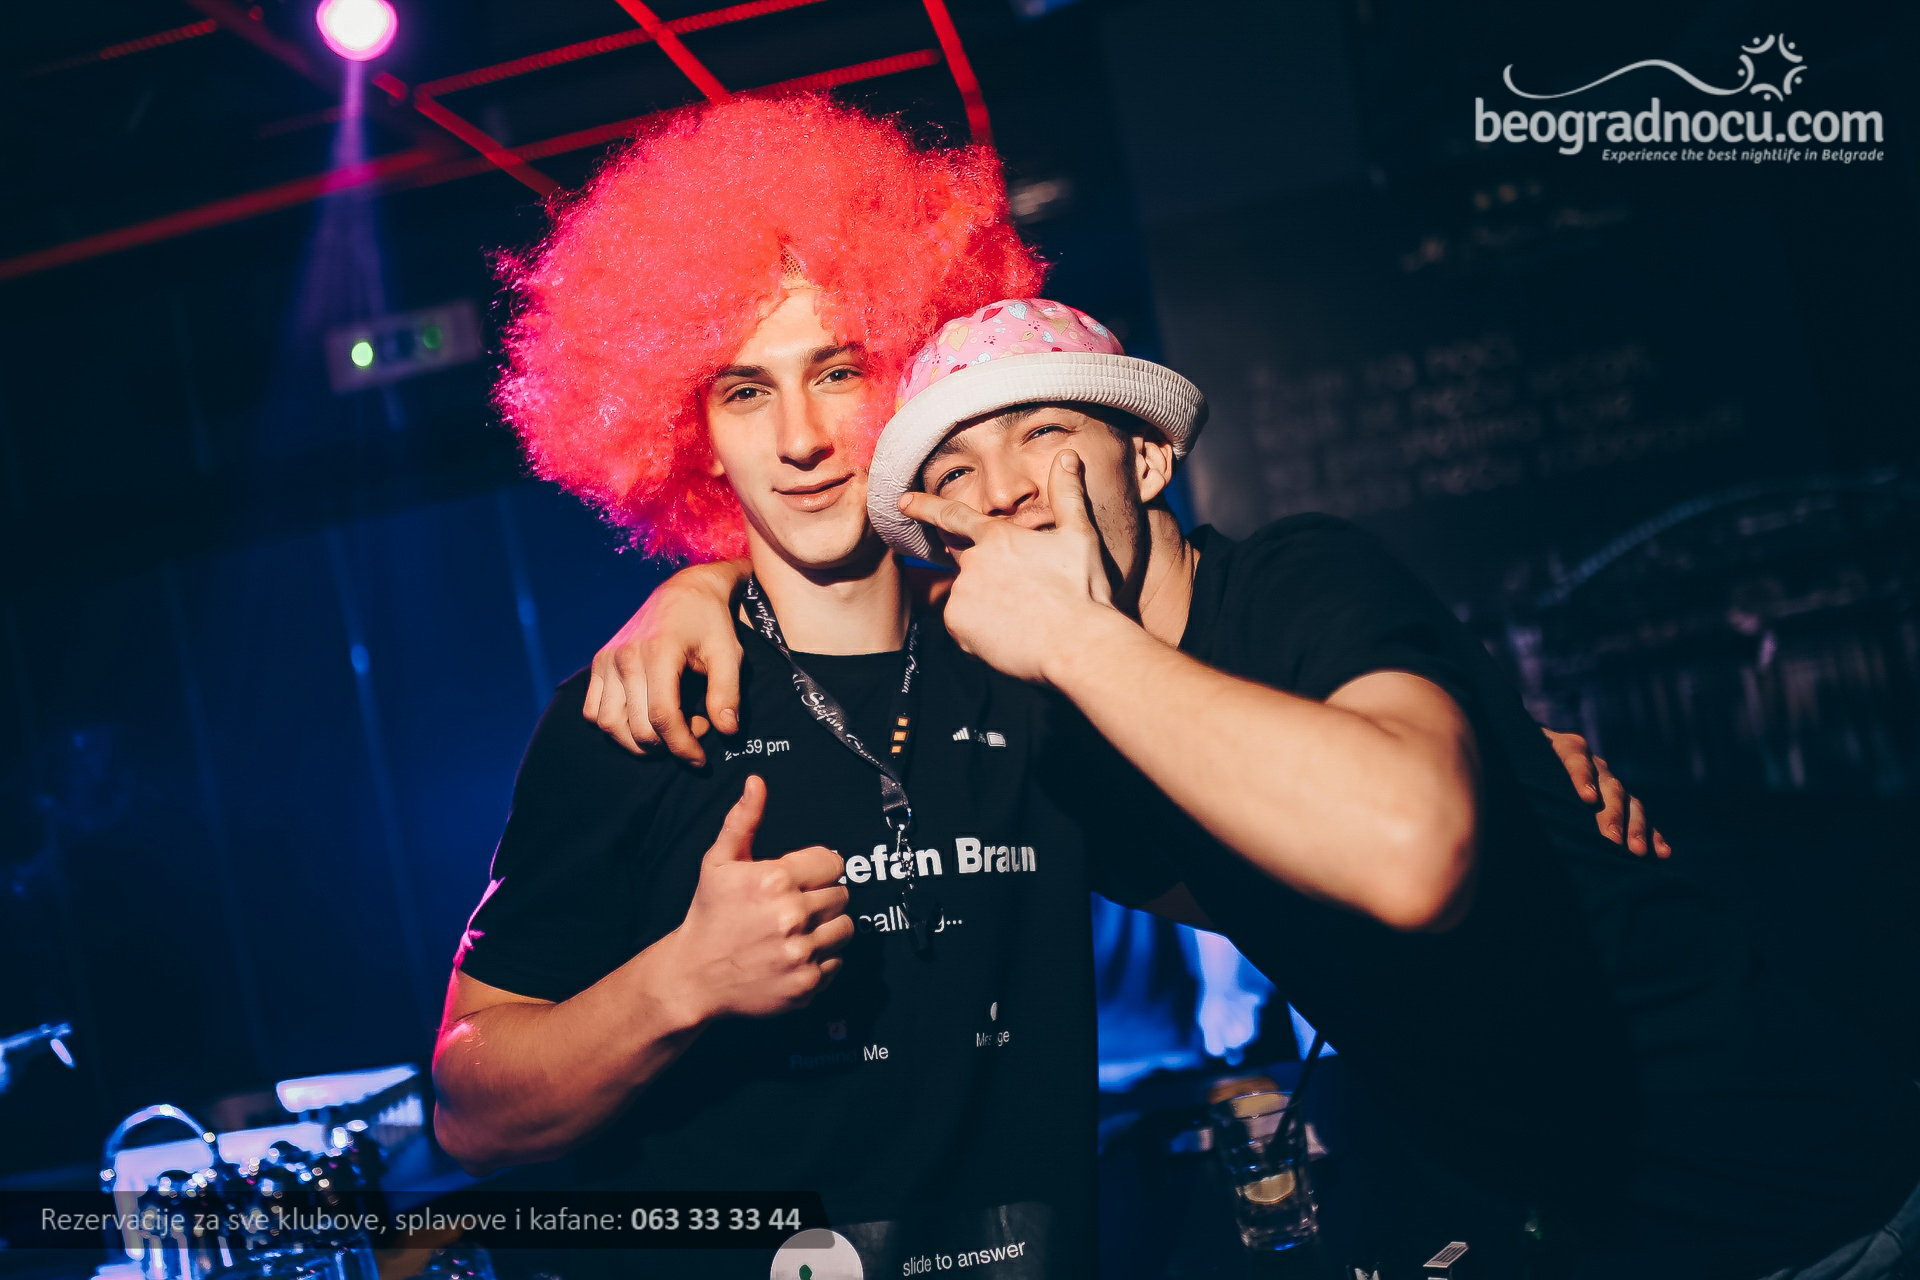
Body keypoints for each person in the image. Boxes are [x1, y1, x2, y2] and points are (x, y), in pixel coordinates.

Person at [589, 298, 1920, 1279]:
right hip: (1582, 1235)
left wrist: (1071, 635)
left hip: (1800, 1206)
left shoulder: (1296, 578)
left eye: (1045, 435)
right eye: (952, 477)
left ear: (1148, 462)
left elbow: (1409, 849)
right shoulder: (1063, 739)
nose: (1005, 496)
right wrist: (701, 582)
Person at [433, 100, 1135, 1279]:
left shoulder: (1032, 653)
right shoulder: (640, 710)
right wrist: (684, 981)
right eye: (745, 390)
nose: (802, 438)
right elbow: (468, 1111)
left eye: (838, 369)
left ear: (909, 377)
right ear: (694, 432)